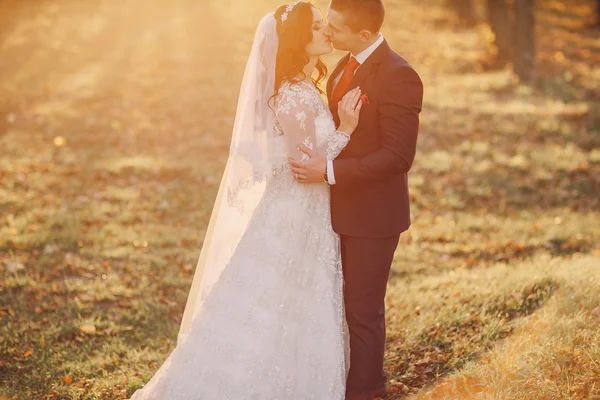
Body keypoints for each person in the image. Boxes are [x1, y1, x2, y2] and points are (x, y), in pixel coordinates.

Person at [128, 2, 364, 398]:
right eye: (318, 27)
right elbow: (304, 165)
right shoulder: (292, 95)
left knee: (298, 300)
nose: (326, 32)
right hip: (295, 212)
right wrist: (347, 127)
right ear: (298, 40)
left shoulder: (304, 87)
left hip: (310, 210)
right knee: (280, 297)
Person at [289, 0, 424, 398]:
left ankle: (367, 391)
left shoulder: (400, 76)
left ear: (364, 35)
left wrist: (329, 173)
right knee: (336, 307)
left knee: (362, 312)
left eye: (335, 28)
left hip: (373, 218)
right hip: (332, 211)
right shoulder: (341, 67)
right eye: (325, 25)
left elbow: (398, 156)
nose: (327, 33)